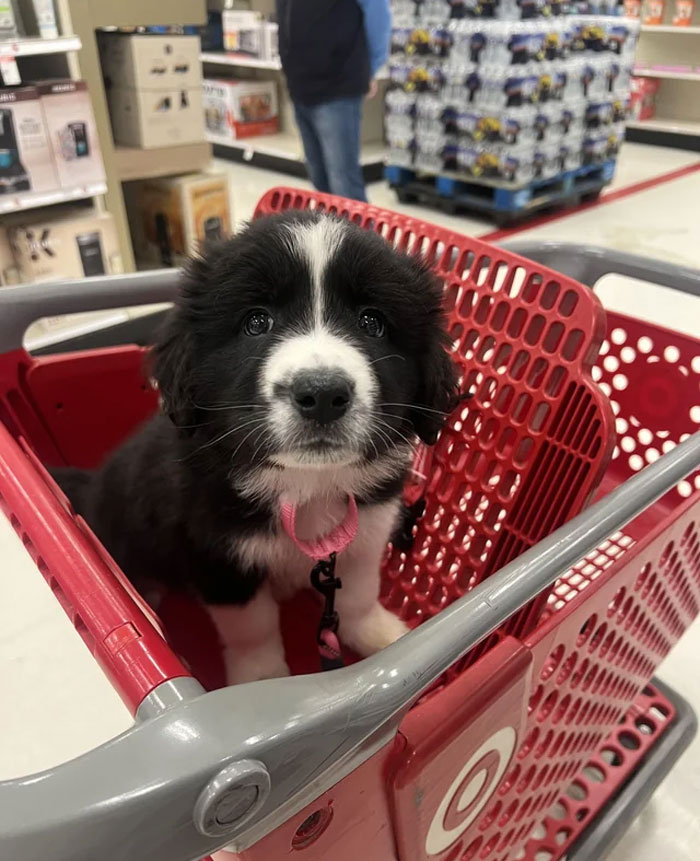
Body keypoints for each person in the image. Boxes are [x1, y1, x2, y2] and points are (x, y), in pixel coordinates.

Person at [276, 0, 391, 202]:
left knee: (344, 184)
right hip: (300, 87)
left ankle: (358, 233)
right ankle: (332, 232)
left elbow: (378, 15)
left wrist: (370, 67)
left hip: (337, 89)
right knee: (319, 179)